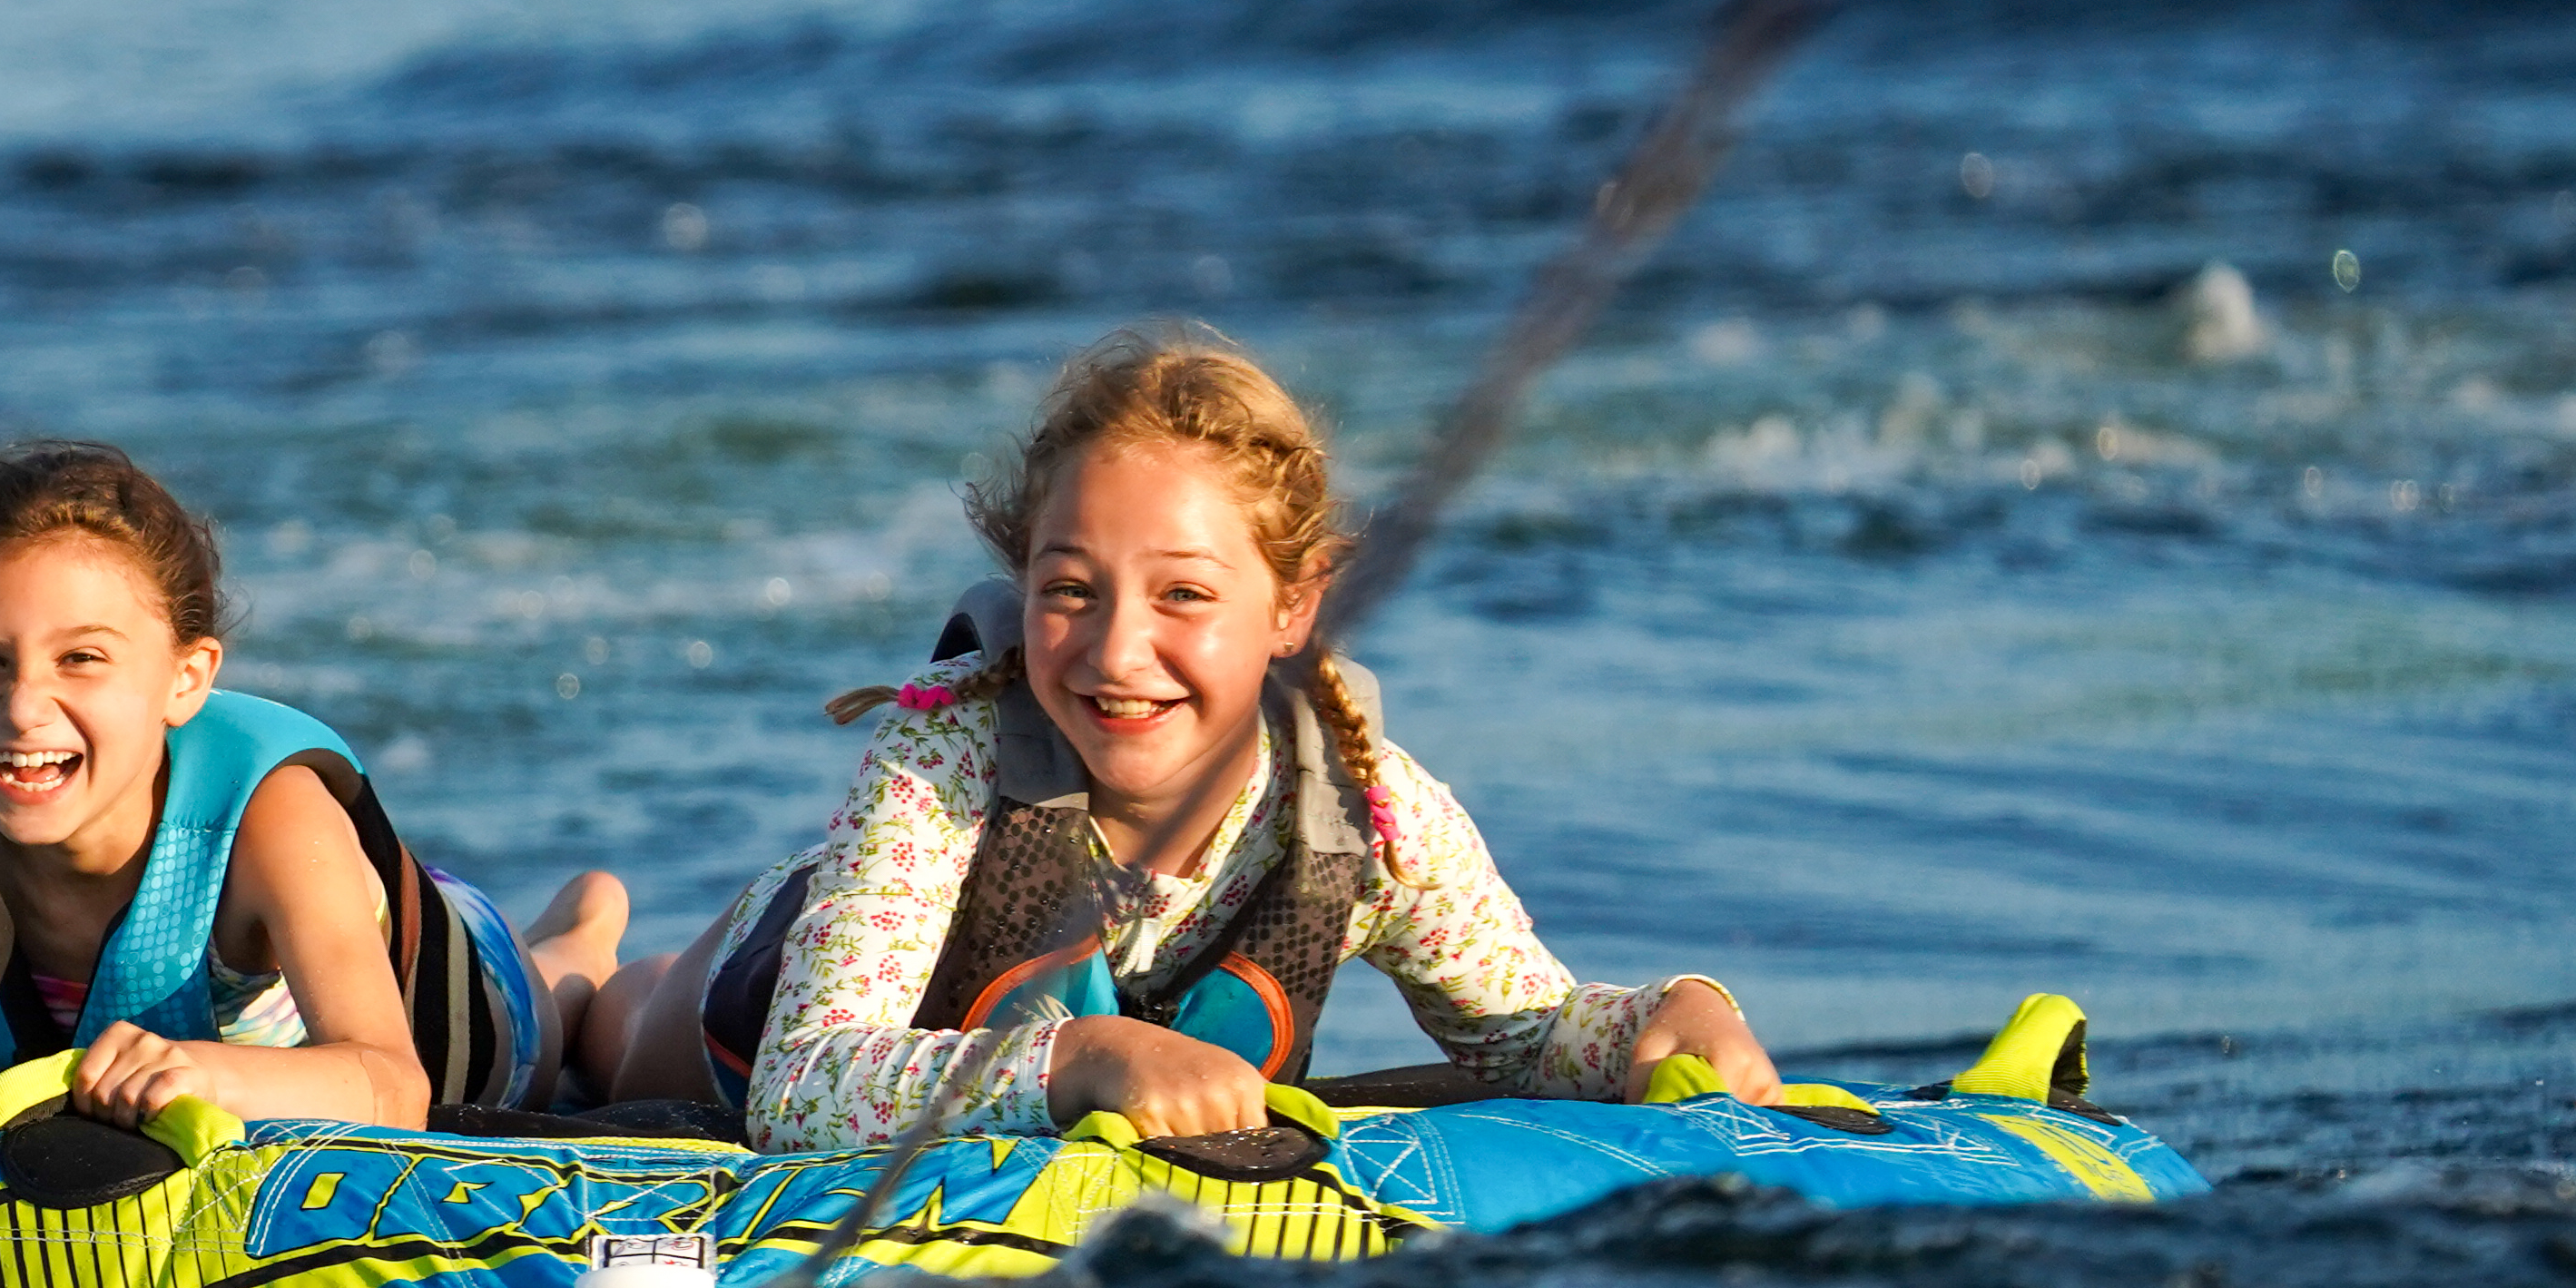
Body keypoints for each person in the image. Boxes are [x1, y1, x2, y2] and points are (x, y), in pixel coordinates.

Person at [571, 327, 1778, 1147]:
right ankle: (573, 959)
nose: (1113, 653)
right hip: (736, 1010)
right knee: (611, 1025)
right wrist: (1078, 1062)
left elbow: (1522, 1033)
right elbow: (799, 1086)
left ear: (1296, 607)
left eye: (1185, 596)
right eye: (1070, 589)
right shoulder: (947, 764)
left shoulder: (1368, 809)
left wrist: (1671, 1014)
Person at [0, 439, 626, 1129]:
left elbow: (389, 1083)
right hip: (314, 959)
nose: (24, 709)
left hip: (469, 999)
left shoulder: (270, 825)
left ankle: (583, 940)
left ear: (186, 679)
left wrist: (210, 1073)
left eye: (82, 659)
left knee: (592, 1026)